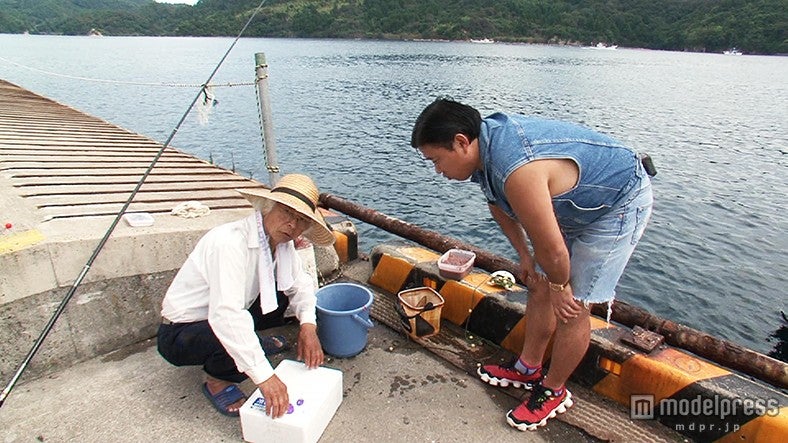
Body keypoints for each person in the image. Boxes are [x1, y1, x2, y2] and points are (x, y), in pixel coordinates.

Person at [410, 98, 653, 431]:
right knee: (538, 283)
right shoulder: (485, 147)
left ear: (461, 142)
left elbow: (553, 251)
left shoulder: (517, 168)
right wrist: (525, 257)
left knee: (573, 306)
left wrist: (560, 287)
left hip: (617, 203)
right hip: (577, 204)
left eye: (437, 160)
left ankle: (553, 390)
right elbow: (498, 204)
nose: (438, 170)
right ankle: (528, 368)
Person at [157, 174, 335, 418]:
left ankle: (247, 349)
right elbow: (226, 315)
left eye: (302, 220)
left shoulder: (280, 243)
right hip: (180, 333)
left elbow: (300, 284)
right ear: (268, 208)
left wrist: (308, 325)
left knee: (281, 294)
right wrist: (265, 377)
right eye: (286, 213)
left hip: (218, 315)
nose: (292, 225)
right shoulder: (229, 242)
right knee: (234, 333)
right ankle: (217, 379)